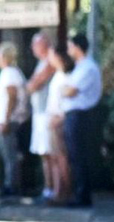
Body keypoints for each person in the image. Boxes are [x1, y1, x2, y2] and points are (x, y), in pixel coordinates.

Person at [62, 33, 102, 208]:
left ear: (78, 47)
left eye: (70, 46)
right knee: (75, 155)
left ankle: (83, 194)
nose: (68, 50)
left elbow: (70, 91)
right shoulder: (79, 67)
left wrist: (64, 90)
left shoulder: (87, 68)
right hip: (74, 114)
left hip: (81, 115)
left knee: (80, 155)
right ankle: (79, 192)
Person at [0, 42, 29, 198]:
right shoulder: (10, 72)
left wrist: (6, 121)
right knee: (9, 155)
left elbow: (11, 98)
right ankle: (10, 184)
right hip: (6, 120)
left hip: (10, 120)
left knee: (10, 155)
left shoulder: (10, 73)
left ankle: (11, 186)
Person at [26, 32, 54, 201]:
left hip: (46, 113)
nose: (32, 48)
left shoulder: (49, 62)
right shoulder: (40, 63)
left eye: (35, 44)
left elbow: (34, 84)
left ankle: (53, 189)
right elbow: (30, 85)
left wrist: (32, 84)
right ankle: (47, 188)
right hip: (39, 113)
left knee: (50, 153)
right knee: (44, 154)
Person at [46, 44, 74, 205]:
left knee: (62, 157)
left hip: (59, 120)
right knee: (55, 157)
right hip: (52, 118)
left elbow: (67, 101)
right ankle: (57, 191)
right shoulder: (58, 75)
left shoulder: (66, 77)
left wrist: (60, 117)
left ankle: (65, 190)